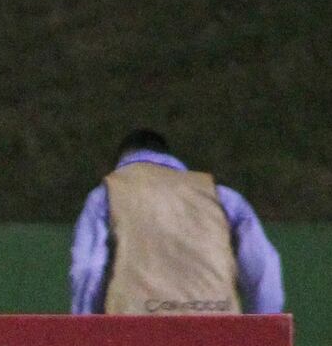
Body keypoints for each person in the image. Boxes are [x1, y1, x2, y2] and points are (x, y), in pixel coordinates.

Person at [70, 129, 284, 315]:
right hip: (217, 325)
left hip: (135, 328)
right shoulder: (223, 197)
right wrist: (264, 330)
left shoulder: (106, 195)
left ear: (122, 160)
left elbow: (87, 270)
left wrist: (84, 332)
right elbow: (264, 267)